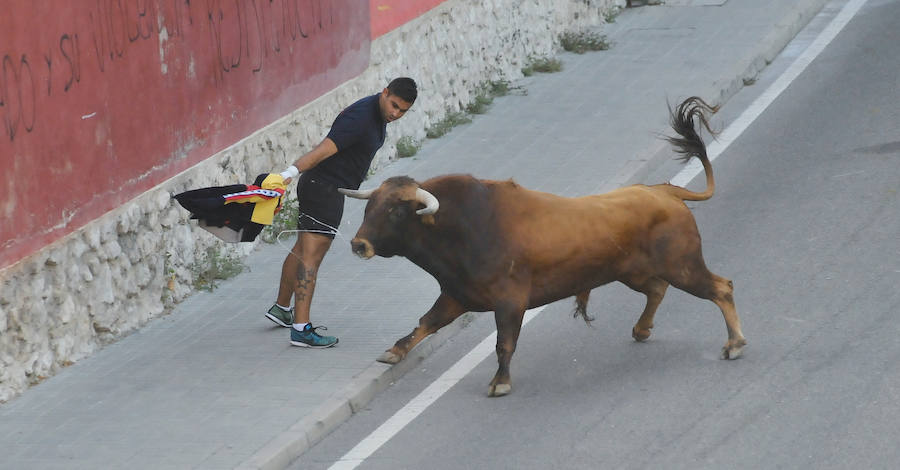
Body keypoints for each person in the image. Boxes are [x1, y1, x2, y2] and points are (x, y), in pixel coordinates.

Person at [267, 77, 418, 348]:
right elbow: (324, 149)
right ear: (384, 92)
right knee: (311, 258)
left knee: (302, 249)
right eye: (394, 105)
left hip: (323, 187)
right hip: (324, 189)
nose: (396, 113)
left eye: (402, 111)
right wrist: (289, 173)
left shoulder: (376, 113)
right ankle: (301, 329)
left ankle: (281, 309)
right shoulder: (361, 117)